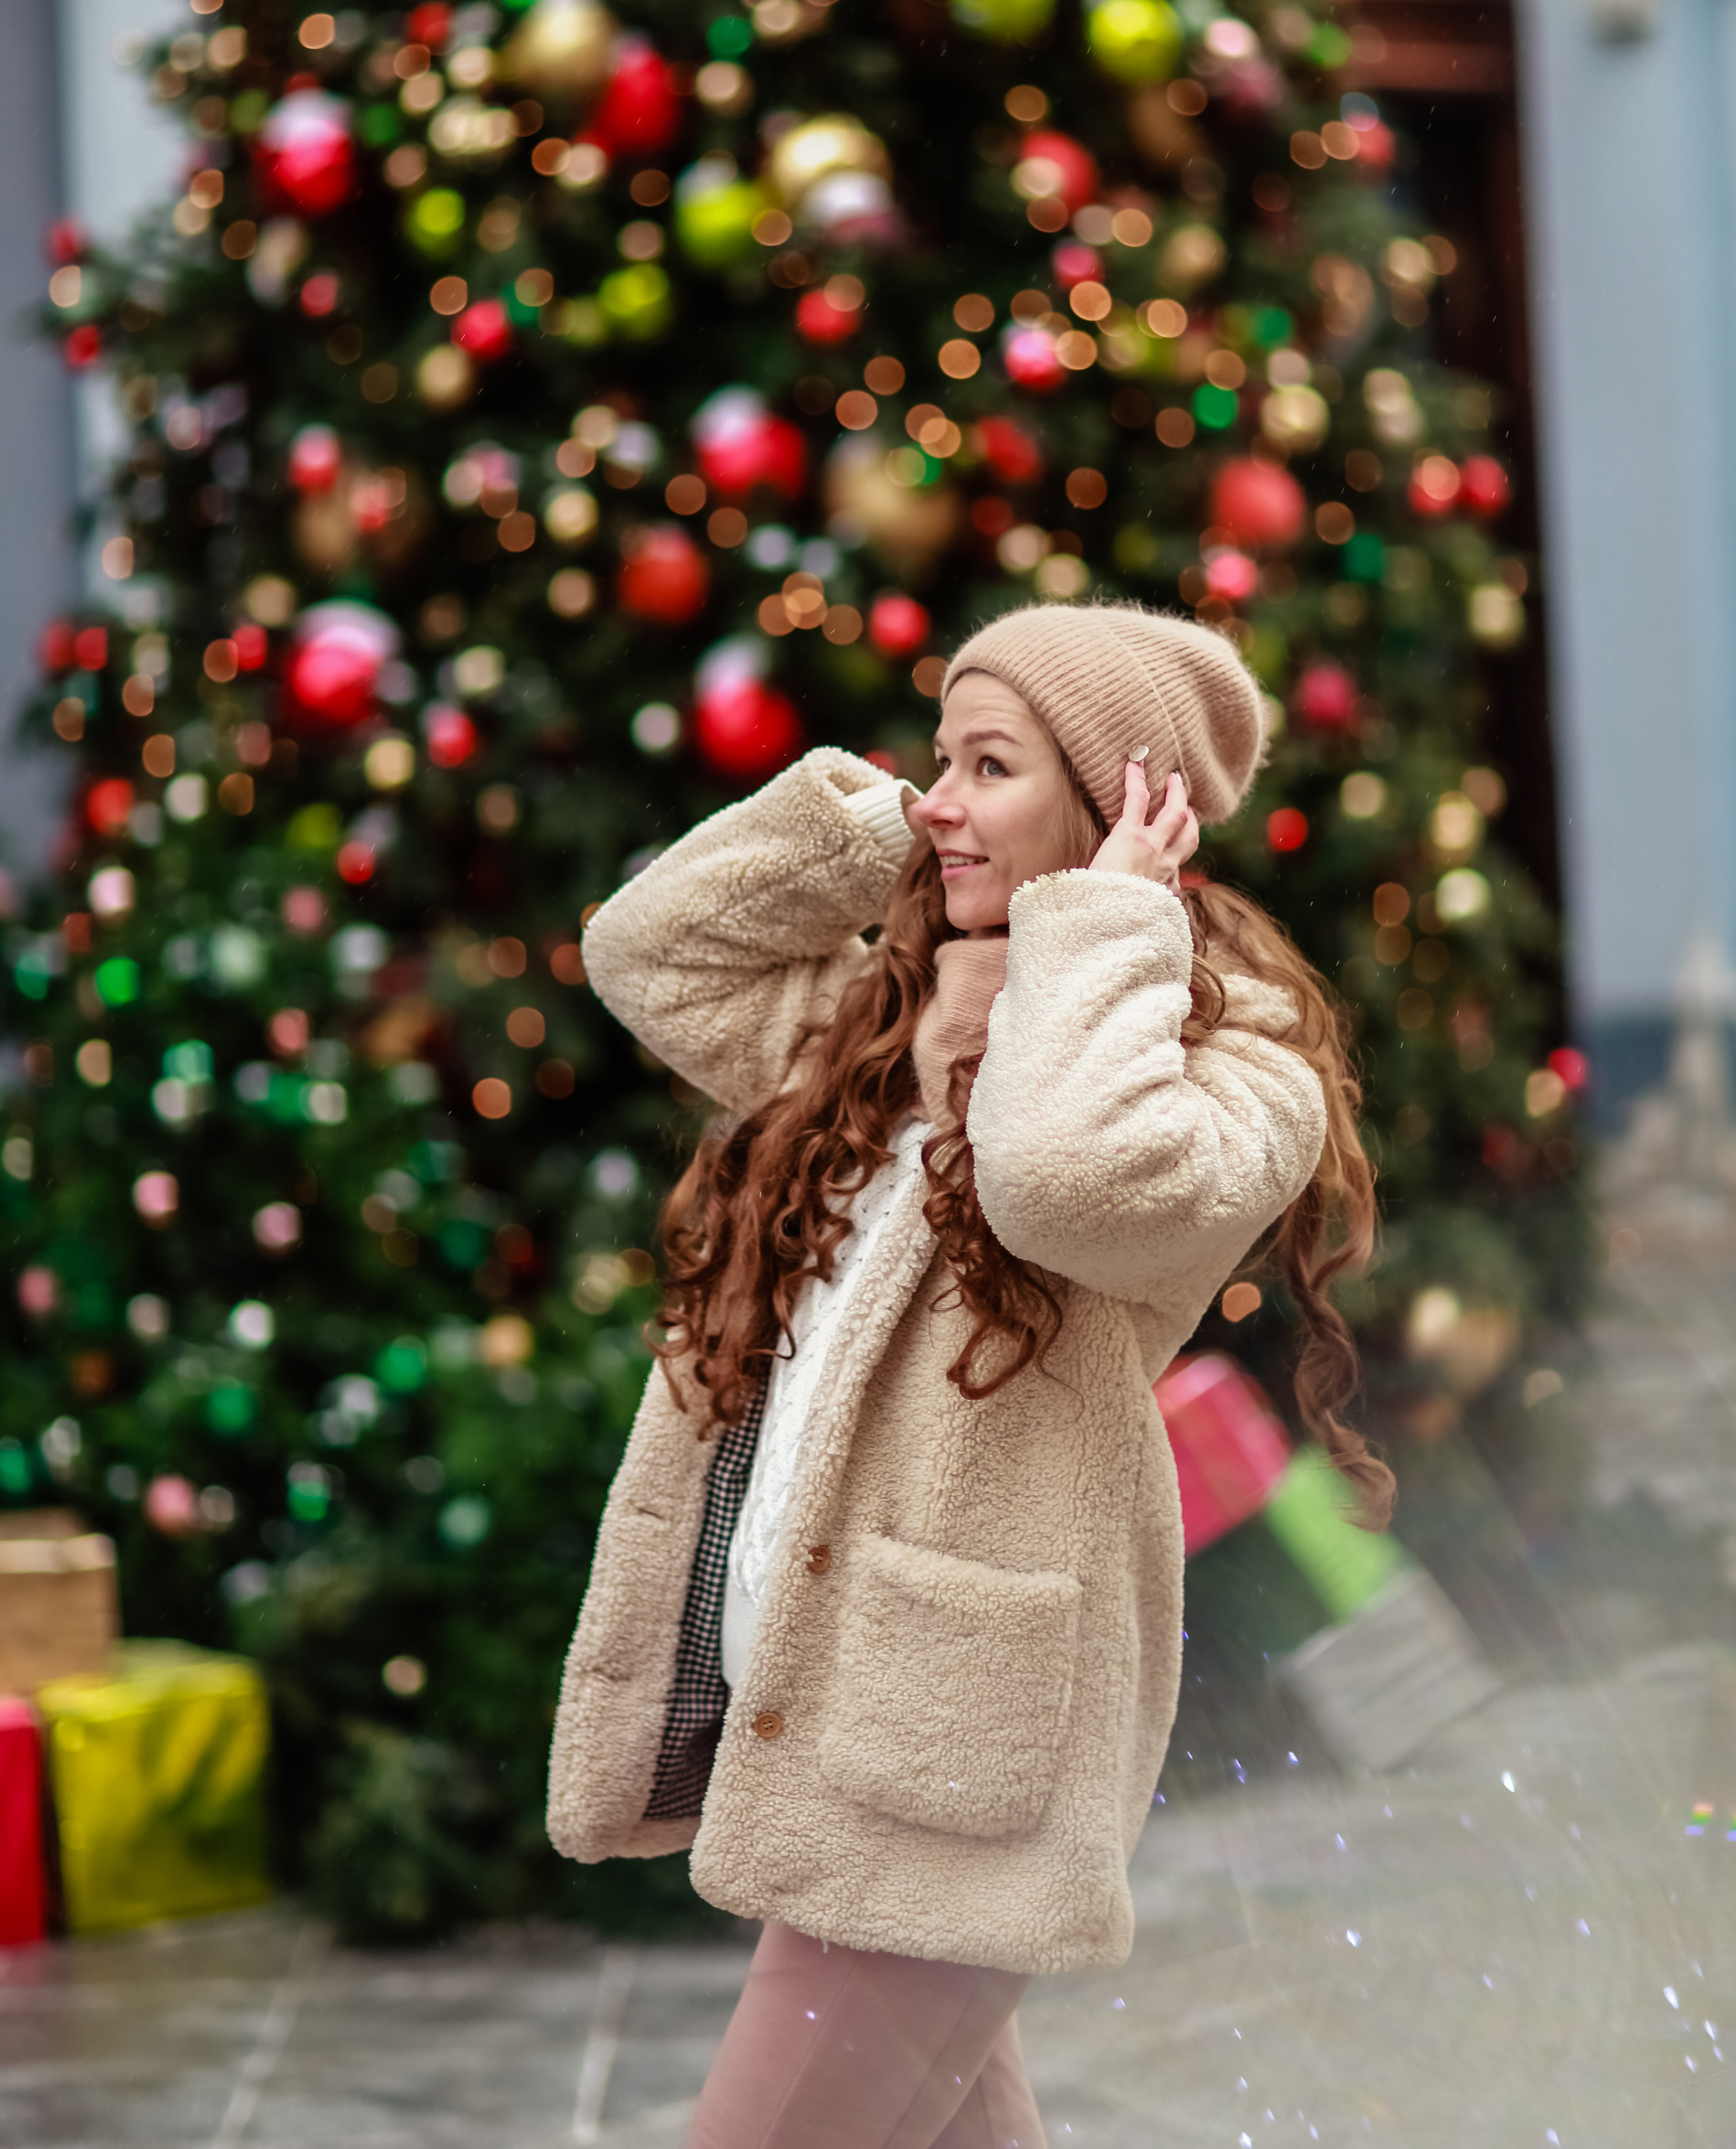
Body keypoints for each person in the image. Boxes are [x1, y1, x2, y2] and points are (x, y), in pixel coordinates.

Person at [548, 600, 1391, 2148]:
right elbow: (646, 953)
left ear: (1117, 801)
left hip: (952, 1748)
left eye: (984, 765)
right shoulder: (881, 1024)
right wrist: (871, 827)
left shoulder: (1227, 1061)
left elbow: (1060, 1180)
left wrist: (1101, 927)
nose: (937, 798)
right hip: (825, 1704)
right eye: (937, 757)